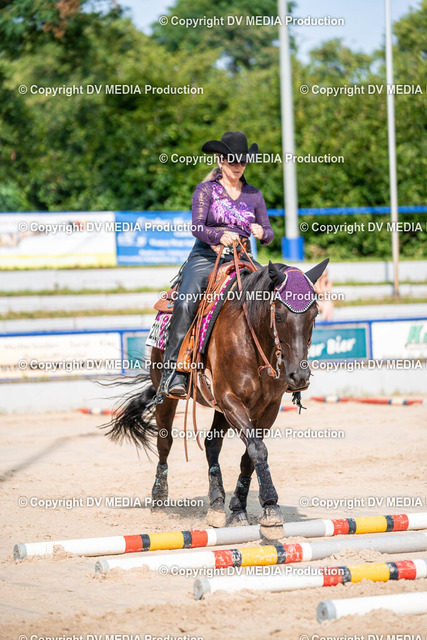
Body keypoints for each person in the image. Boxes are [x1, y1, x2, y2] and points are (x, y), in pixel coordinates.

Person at [161, 131, 275, 397]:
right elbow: (197, 227)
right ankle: (174, 372)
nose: (238, 166)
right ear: (220, 160)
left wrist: (263, 233)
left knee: (272, 296)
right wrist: (218, 235)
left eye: (243, 161)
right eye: (232, 160)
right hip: (206, 256)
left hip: (242, 256)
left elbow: (269, 233)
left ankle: (278, 365)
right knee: (186, 301)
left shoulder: (254, 195)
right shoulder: (206, 191)